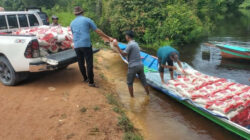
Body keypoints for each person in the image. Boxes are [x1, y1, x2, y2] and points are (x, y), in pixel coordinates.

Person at [70, 6, 113, 87]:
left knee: (81, 63)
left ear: (75, 14)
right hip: (86, 45)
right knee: (89, 63)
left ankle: (85, 78)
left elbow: (73, 34)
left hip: (77, 45)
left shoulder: (72, 23)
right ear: (82, 12)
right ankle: (91, 82)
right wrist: (108, 37)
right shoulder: (87, 20)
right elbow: (98, 31)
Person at [113, 31, 149, 97]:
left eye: (126, 36)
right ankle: (148, 95)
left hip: (133, 66)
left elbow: (124, 54)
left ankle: (132, 98)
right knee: (144, 81)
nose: (125, 37)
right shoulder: (136, 43)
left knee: (129, 83)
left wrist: (117, 46)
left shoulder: (130, 44)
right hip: (140, 65)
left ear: (128, 36)